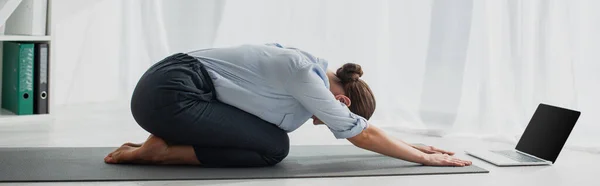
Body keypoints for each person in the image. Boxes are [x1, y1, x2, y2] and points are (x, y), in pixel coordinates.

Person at [104, 43, 472, 167]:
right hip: (170, 94)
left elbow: (247, 122)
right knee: (273, 148)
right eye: (331, 118)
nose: (319, 123)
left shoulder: (299, 65)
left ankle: (161, 141)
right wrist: (424, 158)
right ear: (340, 101)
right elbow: (362, 136)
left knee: (271, 139)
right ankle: (159, 154)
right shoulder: (304, 74)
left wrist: (411, 144)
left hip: (169, 91)